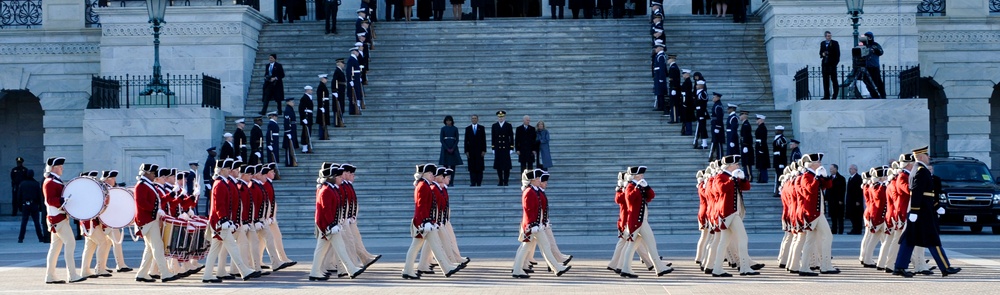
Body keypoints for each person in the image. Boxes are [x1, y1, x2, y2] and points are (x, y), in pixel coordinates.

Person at [893, 146, 961, 278]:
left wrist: (936, 206)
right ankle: (945, 268)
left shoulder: (919, 170)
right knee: (932, 239)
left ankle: (899, 267)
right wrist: (914, 211)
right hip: (922, 213)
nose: (929, 157)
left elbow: (927, 193)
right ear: (921, 157)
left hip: (922, 211)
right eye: (927, 155)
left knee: (909, 240)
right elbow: (917, 193)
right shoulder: (920, 170)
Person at [402, 164, 462, 279]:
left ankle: (445, 268)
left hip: (425, 222)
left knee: (431, 246)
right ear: (424, 174)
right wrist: (425, 221)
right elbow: (421, 206)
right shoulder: (423, 185)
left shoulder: (424, 185)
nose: (432, 175)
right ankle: (408, 270)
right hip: (422, 223)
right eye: (430, 173)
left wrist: (430, 221)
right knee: (418, 247)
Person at [511, 169, 571, 279]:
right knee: (542, 247)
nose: (540, 180)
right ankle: (556, 268)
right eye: (537, 178)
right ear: (532, 180)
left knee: (529, 248)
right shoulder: (529, 192)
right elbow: (529, 210)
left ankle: (517, 269)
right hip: (532, 226)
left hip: (536, 225)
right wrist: (533, 224)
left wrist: (542, 222)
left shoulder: (534, 191)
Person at [617, 166, 672, 278]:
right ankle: (659, 268)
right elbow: (630, 199)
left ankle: (626, 269)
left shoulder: (639, 186)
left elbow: (651, 196)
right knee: (650, 244)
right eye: (640, 175)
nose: (642, 176)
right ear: (635, 176)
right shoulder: (630, 186)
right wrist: (637, 187)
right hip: (638, 221)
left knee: (632, 246)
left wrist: (646, 187)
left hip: (640, 220)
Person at [42, 157, 86, 284]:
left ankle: (50, 276)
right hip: (57, 218)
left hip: (58, 217)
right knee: (70, 243)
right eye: (60, 166)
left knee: (55, 249)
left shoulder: (54, 181)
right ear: (54, 167)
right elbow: (50, 200)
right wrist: (63, 201)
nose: (62, 168)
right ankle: (72, 275)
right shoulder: (50, 182)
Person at [17, 169, 44, 243]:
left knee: (24, 222)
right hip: (34, 204)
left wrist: (19, 206)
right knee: (36, 222)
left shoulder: (22, 184)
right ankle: (40, 238)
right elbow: (39, 196)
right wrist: (40, 207)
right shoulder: (36, 184)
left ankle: (20, 238)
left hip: (25, 204)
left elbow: (19, 196)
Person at [492, 111, 514, 186]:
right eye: (499, 117)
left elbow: (511, 137)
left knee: (506, 166)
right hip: (498, 148)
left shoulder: (508, 125)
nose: (500, 118)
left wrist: (511, 147)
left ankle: (506, 181)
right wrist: (493, 147)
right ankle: (500, 180)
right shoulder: (494, 125)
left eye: (502, 117)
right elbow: (493, 137)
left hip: (506, 148)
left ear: (504, 117)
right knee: (499, 166)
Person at [439, 116, 463, 185]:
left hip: (453, 148)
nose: (448, 122)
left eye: (450, 121)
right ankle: (445, 181)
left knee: (453, 166)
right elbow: (441, 139)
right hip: (445, 148)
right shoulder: (443, 129)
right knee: (445, 166)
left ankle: (451, 182)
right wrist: (447, 148)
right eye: (447, 121)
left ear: (452, 121)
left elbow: (457, 139)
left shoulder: (455, 129)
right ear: (445, 121)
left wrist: (453, 148)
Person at [464, 115, 487, 187]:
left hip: (479, 151)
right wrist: (466, 151)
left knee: (479, 167)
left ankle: (479, 182)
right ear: (471, 119)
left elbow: (484, 140)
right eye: (473, 118)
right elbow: (466, 140)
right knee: (472, 168)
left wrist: (484, 150)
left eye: (475, 118)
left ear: (477, 119)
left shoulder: (481, 128)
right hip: (471, 151)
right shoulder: (468, 128)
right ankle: (473, 182)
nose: (474, 120)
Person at [861, 32, 886, 99]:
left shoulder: (875, 45)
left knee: (877, 82)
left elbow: (881, 52)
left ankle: (881, 95)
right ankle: (873, 95)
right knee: (867, 81)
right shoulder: (863, 45)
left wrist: (874, 50)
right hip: (866, 66)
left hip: (874, 66)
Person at [820, 31, 841, 100]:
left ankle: (835, 95)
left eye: (830, 36)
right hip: (825, 64)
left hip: (832, 64)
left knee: (834, 80)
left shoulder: (835, 43)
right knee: (825, 81)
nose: (829, 37)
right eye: (828, 36)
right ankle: (826, 95)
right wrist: (823, 54)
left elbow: (837, 54)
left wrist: (835, 64)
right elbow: (820, 52)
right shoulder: (822, 43)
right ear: (825, 36)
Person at [826, 164, 847, 235]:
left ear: (836, 169)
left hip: (838, 201)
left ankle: (840, 230)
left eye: (832, 169)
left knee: (840, 217)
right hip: (831, 201)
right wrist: (826, 198)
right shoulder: (829, 178)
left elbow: (843, 190)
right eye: (830, 169)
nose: (830, 170)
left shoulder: (841, 178)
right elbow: (827, 189)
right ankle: (834, 230)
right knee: (833, 217)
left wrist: (841, 200)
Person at [845, 164, 864, 234]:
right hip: (851, 201)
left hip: (856, 201)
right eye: (849, 169)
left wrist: (858, 200)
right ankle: (854, 228)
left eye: (851, 169)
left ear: (855, 170)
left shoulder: (858, 178)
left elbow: (859, 190)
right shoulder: (850, 178)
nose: (850, 170)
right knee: (852, 215)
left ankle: (858, 229)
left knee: (857, 216)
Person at [347, 48, 364, 115]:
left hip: (356, 79)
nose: (358, 53)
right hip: (354, 80)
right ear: (354, 52)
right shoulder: (351, 59)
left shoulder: (354, 59)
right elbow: (349, 71)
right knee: (354, 94)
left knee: (357, 93)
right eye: (357, 52)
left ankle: (357, 108)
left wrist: (359, 77)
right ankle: (353, 110)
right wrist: (350, 80)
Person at [771, 126, 787, 197]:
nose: (776, 131)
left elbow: (783, 152)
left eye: (777, 130)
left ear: (780, 131)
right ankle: (777, 190)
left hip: (780, 160)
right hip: (777, 160)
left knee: (779, 176)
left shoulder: (782, 139)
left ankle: (779, 191)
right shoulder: (777, 138)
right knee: (777, 176)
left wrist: (781, 162)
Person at [692, 81, 709, 149]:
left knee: (702, 128)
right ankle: (702, 142)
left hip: (702, 113)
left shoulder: (703, 93)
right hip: (699, 112)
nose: (696, 86)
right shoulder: (698, 93)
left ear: (701, 85)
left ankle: (704, 144)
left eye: (698, 85)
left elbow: (703, 103)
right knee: (701, 128)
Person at [708, 92, 725, 161]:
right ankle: (717, 156)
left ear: (717, 98)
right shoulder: (716, 105)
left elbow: (719, 117)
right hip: (714, 125)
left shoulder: (718, 106)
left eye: (714, 97)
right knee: (715, 141)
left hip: (717, 126)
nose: (713, 98)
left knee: (718, 142)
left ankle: (720, 157)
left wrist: (717, 127)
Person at [282, 98, 299, 167]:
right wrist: (288, 131)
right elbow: (286, 122)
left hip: (292, 129)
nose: (293, 103)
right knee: (289, 147)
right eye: (292, 102)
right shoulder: (287, 110)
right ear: (288, 102)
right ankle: (289, 162)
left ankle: (291, 161)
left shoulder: (290, 109)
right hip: (290, 130)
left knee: (291, 146)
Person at [738, 111, 754, 182]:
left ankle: (748, 176)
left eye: (741, 115)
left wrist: (745, 145)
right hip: (744, 145)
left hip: (746, 146)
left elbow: (747, 136)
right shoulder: (744, 124)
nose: (740, 116)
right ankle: (746, 175)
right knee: (745, 162)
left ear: (745, 115)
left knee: (747, 163)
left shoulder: (746, 125)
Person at [753, 114, 769, 183]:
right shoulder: (760, 127)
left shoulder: (762, 128)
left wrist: (761, 149)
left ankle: (763, 178)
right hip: (759, 146)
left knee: (762, 164)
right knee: (760, 164)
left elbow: (763, 139)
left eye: (758, 119)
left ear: (761, 120)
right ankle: (761, 178)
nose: (757, 120)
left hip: (761, 147)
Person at [299, 85, 315, 154]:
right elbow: (301, 109)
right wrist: (303, 118)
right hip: (306, 117)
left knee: (308, 132)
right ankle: (304, 148)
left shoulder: (309, 97)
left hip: (309, 116)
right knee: (305, 133)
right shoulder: (304, 98)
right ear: (307, 90)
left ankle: (307, 146)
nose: (312, 91)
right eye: (311, 90)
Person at [652, 44, 667, 113]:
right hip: (657, 76)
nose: (655, 49)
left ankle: (661, 106)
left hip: (659, 77)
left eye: (656, 48)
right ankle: (660, 105)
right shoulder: (658, 56)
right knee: (658, 92)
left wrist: (661, 78)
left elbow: (662, 68)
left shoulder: (661, 56)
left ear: (660, 48)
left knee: (660, 92)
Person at [332, 59, 347, 127]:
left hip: (341, 91)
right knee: (338, 107)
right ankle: (337, 122)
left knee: (341, 106)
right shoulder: (337, 71)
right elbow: (334, 81)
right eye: (342, 63)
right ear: (339, 63)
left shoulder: (340, 71)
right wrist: (335, 90)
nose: (344, 64)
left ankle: (340, 120)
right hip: (339, 91)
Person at [667, 54, 681, 123]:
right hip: (672, 88)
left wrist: (674, 88)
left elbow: (675, 80)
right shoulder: (672, 67)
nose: (668, 60)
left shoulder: (673, 68)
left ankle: (674, 119)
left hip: (674, 88)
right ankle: (673, 117)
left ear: (672, 59)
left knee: (674, 104)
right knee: (672, 103)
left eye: (669, 59)